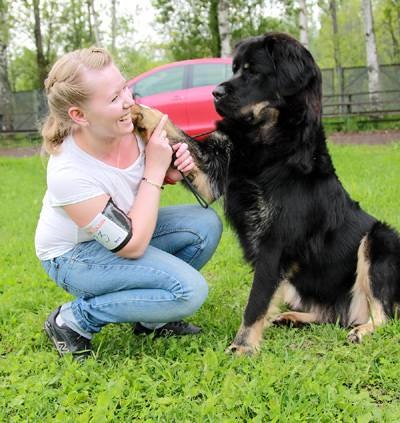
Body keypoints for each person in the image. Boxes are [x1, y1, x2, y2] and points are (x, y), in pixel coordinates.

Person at [35, 47, 222, 360]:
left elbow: (133, 189)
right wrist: (154, 169)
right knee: (190, 291)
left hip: (121, 232)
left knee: (205, 225)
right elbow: (130, 246)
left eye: (124, 86)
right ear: (79, 115)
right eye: (113, 98)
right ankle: (73, 319)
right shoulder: (68, 172)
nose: (128, 100)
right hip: (73, 256)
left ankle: (151, 318)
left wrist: (169, 173)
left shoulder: (134, 124)